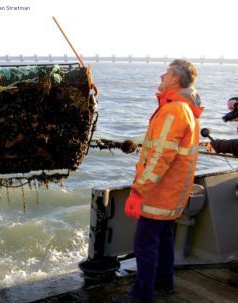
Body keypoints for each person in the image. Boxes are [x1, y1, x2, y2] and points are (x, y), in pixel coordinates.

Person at [114, 59, 203, 303]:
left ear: (175, 79)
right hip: (174, 193)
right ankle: (164, 283)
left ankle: (142, 296)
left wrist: (138, 190)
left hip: (158, 194)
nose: (161, 76)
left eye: (165, 73)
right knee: (164, 239)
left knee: (145, 245)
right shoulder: (186, 109)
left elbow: (160, 157)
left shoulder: (174, 110)